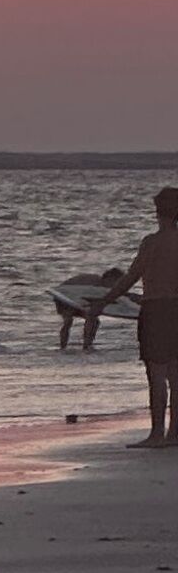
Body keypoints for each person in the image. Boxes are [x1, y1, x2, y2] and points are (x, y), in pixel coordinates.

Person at [101, 187, 178, 446]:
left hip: (156, 311)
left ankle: (157, 434)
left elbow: (130, 278)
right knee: (176, 375)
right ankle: (175, 434)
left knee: (156, 375)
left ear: (158, 212)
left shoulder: (152, 243)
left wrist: (102, 302)